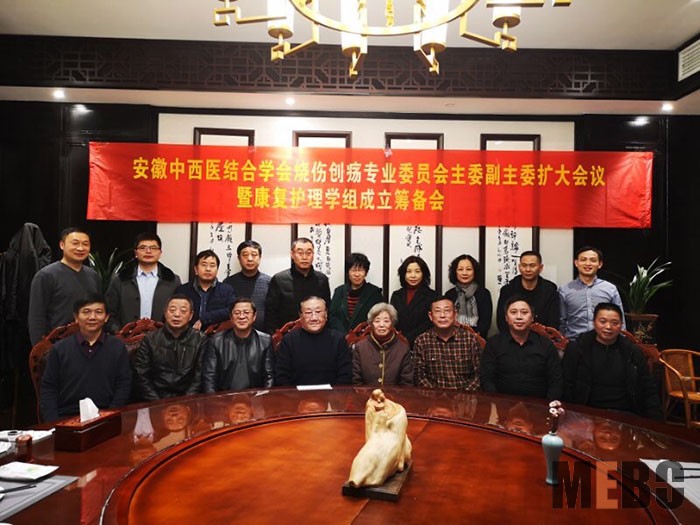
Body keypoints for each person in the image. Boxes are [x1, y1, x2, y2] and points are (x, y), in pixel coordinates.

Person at [40, 293, 131, 422]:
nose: (92, 317)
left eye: (98, 312)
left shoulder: (117, 347)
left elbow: (123, 385)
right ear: (76, 317)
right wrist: (54, 422)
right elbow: (49, 388)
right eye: (86, 312)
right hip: (67, 418)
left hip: (107, 416)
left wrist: (111, 416)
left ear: (106, 317)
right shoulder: (59, 349)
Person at [562, 302, 662, 419]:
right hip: (586, 413)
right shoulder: (577, 349)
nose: (608, 327)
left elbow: (648, 388)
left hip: (624, 414)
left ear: (621, 325)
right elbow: (566, 385)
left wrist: (655, 421)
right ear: (594, 322)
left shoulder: (632, 352)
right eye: (603, 321)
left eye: (614, 323)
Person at [28, 227, 101, 345]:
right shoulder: (46, 275)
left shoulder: (93, 276)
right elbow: (36, 317)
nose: (80, 248)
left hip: (89, 343)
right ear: (62, 245)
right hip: (57, 345)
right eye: (75, 243)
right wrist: (40, 348)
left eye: (85, 244)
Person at [481, 297, 563, 400]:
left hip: (538, 404)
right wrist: (496, 403)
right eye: (513, 312)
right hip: (502, 404)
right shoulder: (494, 344)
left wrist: (548, 405)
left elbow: (555, 382)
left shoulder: (546, 345)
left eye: (524, 312)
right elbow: (487, 380)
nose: (519, 317)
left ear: (532, 317)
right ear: (506, 317)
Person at [132, 294, 208, 401]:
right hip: (155, 400)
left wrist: (185, 402)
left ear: (191, 315)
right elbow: (141, 375)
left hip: (188, 400)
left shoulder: (200, 339)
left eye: (183, 311)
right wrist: (158, 403)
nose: (177, 314)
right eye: (172, 310)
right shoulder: (150, 339)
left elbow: (199, 378)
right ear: (165, 313)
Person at [105, 232, 181, 333]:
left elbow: (178, 312)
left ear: (160, 253)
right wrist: (119, 332)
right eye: (143, 248)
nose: (148, 251)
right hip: (127, 338)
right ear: (135, 253)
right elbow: (109, 312)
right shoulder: (120, 279)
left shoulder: (172, 280)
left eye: (153, 248)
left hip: (162, 338)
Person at [275, 296, 352, 386]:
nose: (314, 318)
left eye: (318, 312)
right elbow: (281, 376)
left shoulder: (338, 339)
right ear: (300, 316)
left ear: (326, 314)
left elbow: (345, 375)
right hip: (296, 393)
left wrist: (334, 394)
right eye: (308, 313)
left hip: (332, 393)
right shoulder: (289, 340)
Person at [202, 297, 274, 393]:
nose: (241, 316)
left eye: (246, 312)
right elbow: (209, 376)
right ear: (231, 317)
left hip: (255, 397)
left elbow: (269, 377)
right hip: (224, 397)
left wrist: (263, 397)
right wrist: (214, 399)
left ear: (254, 316)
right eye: (237, 313)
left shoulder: (265, 341)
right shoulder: (216, 341)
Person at [413, 296, 481, 391]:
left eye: (447, 311)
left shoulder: (470, 340)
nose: (442, 315)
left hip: (466, 397)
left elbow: (479, 375)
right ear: (430, 316)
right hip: (433, 397)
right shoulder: (422, 341)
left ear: (455, 314)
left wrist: (464, 395)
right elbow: (419, 376)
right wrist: (435, 396)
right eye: (437, 311)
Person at [265, 238, 331, 333]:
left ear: (313, 255)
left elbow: (327, 310)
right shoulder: (279, 279)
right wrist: (275, 335)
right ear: (292, 254)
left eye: (308, 253)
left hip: (317, 334)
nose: (304, 257)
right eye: (300, 253)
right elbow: (271, 313)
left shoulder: (322, 279)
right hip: (287, 335)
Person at [559, 246, 625, 340]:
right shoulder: (565, 290)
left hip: (604, 342)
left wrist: (622, 341)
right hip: (574, 341)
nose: (588, 263)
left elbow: (619, 319)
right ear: (576, 263)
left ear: (600, 264)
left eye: (593, 260)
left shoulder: (610, 289)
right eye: (583, 260)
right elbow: (561, 321)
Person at [495, 250, 559, 332]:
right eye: (524, 265)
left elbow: (553, 321)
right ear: (519, 267)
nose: (528, 269)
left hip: (542, 337)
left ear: (540, 268)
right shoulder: (508, 289)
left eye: (532, 266)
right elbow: (502, 320)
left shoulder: (550, 290)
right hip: (513, 336)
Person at [352, 303, 413, 387]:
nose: (381, 325)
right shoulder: (360, 347)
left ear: (392, 323)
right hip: (365, 394)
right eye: (377, 321)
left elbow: (407, 383)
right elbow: (355, 380)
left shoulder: (403, 348)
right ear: (371, 324)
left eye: (386, 321)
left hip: (394, 395)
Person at [175, 249, 236, 330]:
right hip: (187, 335)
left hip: (216, 335)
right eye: (204, 265)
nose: (208, 269)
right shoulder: (182, 290)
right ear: (196, 269)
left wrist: (205, 318)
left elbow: (232, 311)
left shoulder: (226, 290)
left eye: (212, 265)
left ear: (217, 269)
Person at [223, 240, 271, 333]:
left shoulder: (269, 282)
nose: (250, 259)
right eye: (245, 255)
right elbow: (226, 311)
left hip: (263, 335)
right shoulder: (229, 283)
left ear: (260, 257)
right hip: (234, 335)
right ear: (239, 258)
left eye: (254, 255)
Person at [328, 253, 383, 334]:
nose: (357, 274)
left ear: (366, 273)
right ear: (348, 272)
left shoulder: (374, 293)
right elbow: (333, 316)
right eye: (353, 270)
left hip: (366, 337)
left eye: (360, 270)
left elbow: (379, 317)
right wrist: (344, 335)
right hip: (340, 337)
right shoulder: (339, 291)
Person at [389, 255, 438, 345]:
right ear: (404, 274)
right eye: (409, 271)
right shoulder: (396, 295)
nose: (413, 275)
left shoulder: (432, 296)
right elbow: (392, 320)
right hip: (398, 343)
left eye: (417, 271)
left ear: (423, 274)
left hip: (424, 342)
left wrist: (408, 339)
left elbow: (430, 322)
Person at [445, 254, 492, 339]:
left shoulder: (484, 293)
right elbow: (446, 320)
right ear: (455, 272)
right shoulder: (449, 294)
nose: (464, 273)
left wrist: (473, 336)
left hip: (477, 339)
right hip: (452, 339)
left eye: (469, 269)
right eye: (460, 269)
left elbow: (485, 323)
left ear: (475, 271)